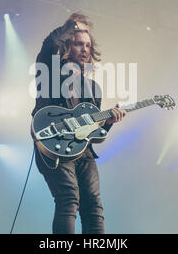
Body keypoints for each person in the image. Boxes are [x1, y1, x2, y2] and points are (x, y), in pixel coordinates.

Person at [31, 12, 126, 234]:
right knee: (68, 199)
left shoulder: (93, 89)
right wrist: (72, 25)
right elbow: (50, 43)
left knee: (93, 207)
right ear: (66, 45)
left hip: (84, 152)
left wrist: (109, 121)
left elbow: (95, 131)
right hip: (53, 144)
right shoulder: (49, 70)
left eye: (87, 45)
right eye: (77, 43)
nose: (84, 49)